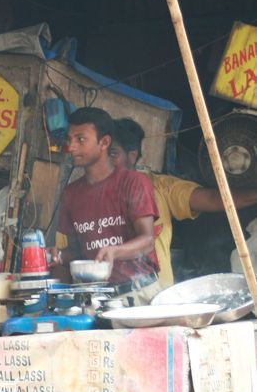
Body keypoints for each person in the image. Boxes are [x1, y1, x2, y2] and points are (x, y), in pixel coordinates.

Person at [110, 118, 257, 287]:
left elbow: (211, 198)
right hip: (108, 291)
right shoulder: (88, 192)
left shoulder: (159, 186)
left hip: (155, 292)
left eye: (112, 154)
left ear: (132, 156)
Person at [49, 107, 160, 300]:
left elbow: (147, 240)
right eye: (69, 139)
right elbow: (79, 251)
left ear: (104, 142)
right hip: (95, 298)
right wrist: (57, 256)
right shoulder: (70, 193)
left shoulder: (134, 182)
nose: (72, 147)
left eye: (80, 139)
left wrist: (115, 251)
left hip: (138, 293)